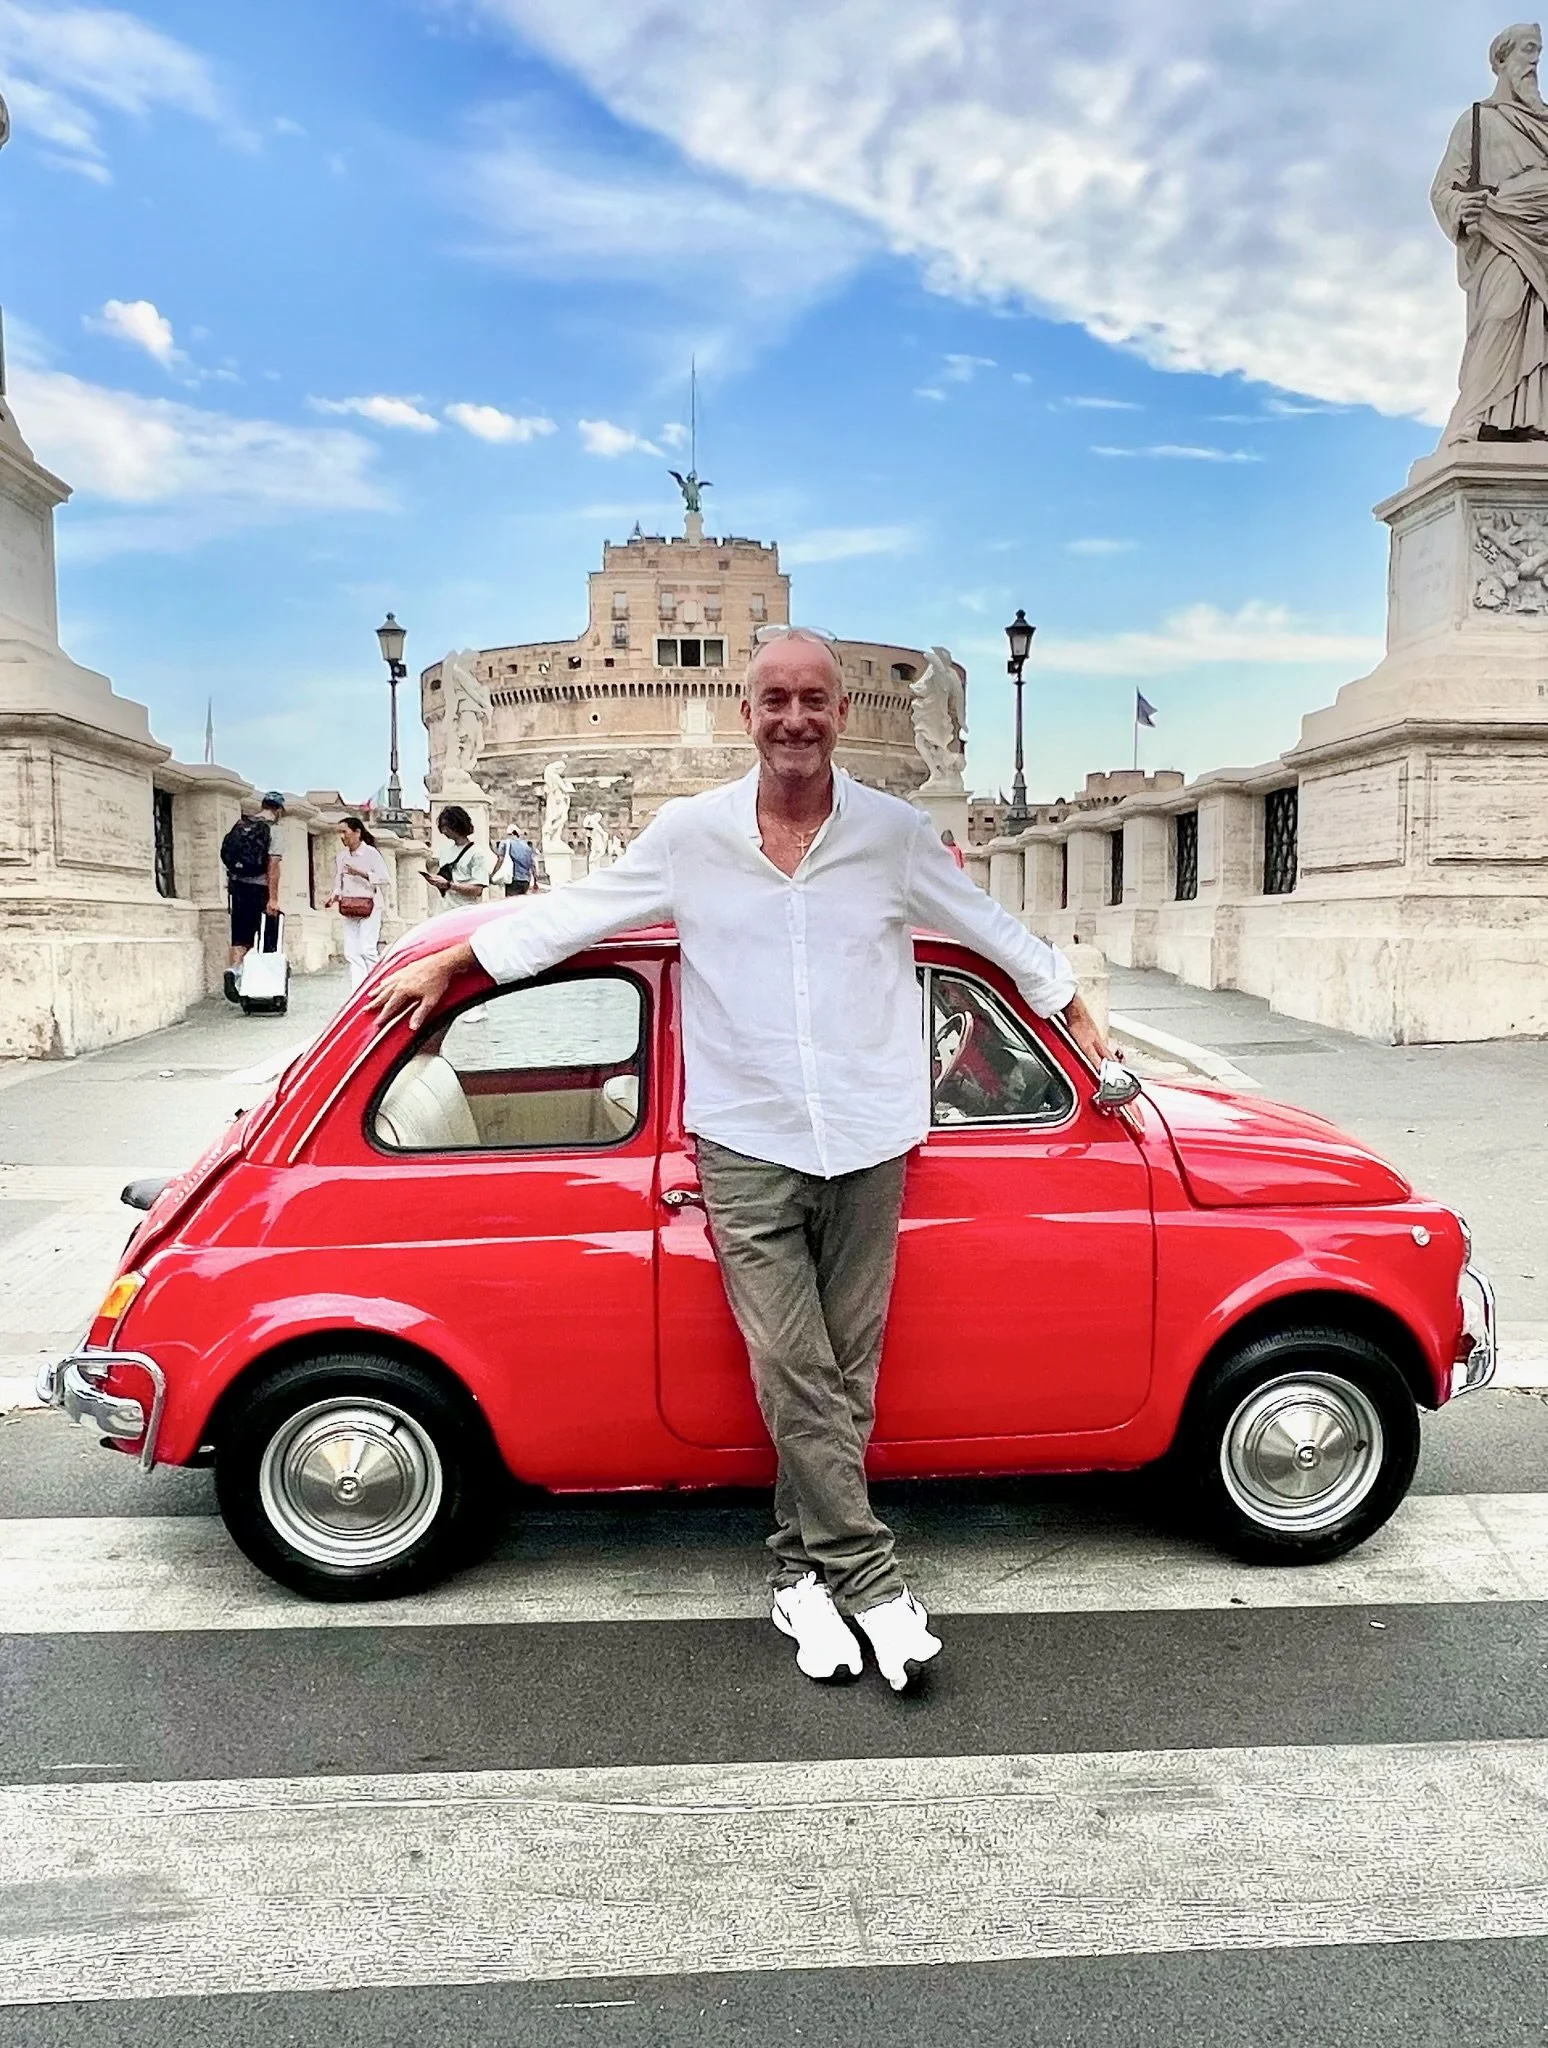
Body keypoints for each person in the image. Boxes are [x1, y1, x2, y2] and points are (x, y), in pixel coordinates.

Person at [370, 628, 1108, 1693]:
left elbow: (988, 927)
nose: (795, 719)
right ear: (746, 713)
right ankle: (873, 1580)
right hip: (746, 1140)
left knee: (845, 1372)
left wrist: (1067, 999)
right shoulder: (690, 836)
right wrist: (459, 957)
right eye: (775, 700)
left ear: (841, 713)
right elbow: (577, 913)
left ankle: (798, 1575)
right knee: (792, 1363)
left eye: (813, 699)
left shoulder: (895, 836)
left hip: (869, 1134)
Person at [219, 791, 284, 1003]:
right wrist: (273, 898)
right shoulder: (274, 830)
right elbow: (273, 867)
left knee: (240, 936)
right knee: (266, 938)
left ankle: (234, 970)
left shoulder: (242, 825)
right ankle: (261, 984)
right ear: (279, 810)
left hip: (237, 887)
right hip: (259, 888)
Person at [325, 815, 392, 992]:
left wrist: (361, 873)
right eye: (340, 833)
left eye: (345, 832)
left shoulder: (371, 853)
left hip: (370, 904)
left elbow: (384, 878)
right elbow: (339, 881)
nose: (342, 837)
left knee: (367, 949)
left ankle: (378, 985)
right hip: (349, 904)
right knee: (352, 952)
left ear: (357, 832)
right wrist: (334, 895)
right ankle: (358, 990)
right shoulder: (341, 857)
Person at [423, 806, 491, 911]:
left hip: (466, 910)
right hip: (445, 909)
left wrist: (450, 885)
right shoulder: (444, 851)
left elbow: (477, 890)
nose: (444, 831)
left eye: (447, 826)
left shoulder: (477, 853)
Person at [494, 822, 536, 898]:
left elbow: (500, 860)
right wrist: (535, 881)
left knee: (511, 901)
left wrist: (494, 873)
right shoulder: (526, 846)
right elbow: (532, 864)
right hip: (526, 880)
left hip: (513, 879)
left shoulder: (505, 843)